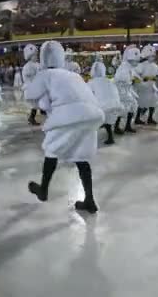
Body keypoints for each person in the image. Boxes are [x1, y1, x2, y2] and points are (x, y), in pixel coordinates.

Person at [25, 41, 105, 214]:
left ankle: (43, 190)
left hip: (69, 116)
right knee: (82, 157)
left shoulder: (45, 74)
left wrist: (40, 100)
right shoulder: (73, 75)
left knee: (51, 151)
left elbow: (30, 95)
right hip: (92, 114)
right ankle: (89, 200)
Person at [89, 54, 124, 145]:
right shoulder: (108, 80)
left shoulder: (92, 82)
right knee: (108, 121)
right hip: (116, 106)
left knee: (93, 121)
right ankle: (112, 134)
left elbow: (87, 95)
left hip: (103, 107)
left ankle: (91, 139)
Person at [114, 46, 141, 134]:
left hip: (128, 90)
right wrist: (131, 80)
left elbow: (135, 76)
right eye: (136, 61)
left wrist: (135, 79)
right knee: (122, 109)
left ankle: (128, 126)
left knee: (132, 106)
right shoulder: (123, 67)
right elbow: (120, 79)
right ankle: (116, 127)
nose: (137, 62)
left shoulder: (130, 67)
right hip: (122, 92)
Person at [134, 45, 158, 125]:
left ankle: (150, 118)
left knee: (153, 103)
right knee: (141, 103)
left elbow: (157, 75)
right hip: (143, 88)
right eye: (151, 56)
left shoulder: (155, 66)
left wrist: (153, 80)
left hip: (151, 88)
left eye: (153, 56)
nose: (153, 57)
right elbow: (136, 76)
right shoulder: (141, 65)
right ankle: (137, 118)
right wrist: (141, 82)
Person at [22, 44, 43, 126]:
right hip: (31, 88)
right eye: (35, 55)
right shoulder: (28, 66)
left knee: (36, 105)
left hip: (36, 87)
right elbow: (30, 78)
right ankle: (31, 118)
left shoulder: (37, 64)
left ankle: (32, 117)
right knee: (34, 105)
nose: (36, 56)